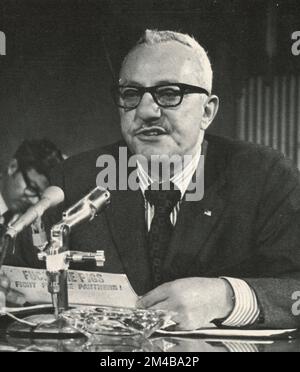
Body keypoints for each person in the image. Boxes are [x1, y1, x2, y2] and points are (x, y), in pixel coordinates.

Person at [3, 30, 300, 330]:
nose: (145, 111)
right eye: (131, 95)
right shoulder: (77, 178)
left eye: (170, 93)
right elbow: (17, 277)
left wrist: (228, 298)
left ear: (207, 111)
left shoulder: (266, 178)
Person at [0, 139, 64, 306]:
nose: (34, 201)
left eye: (40, 196)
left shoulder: (24, 221)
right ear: (13, 167)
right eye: (32, 188)